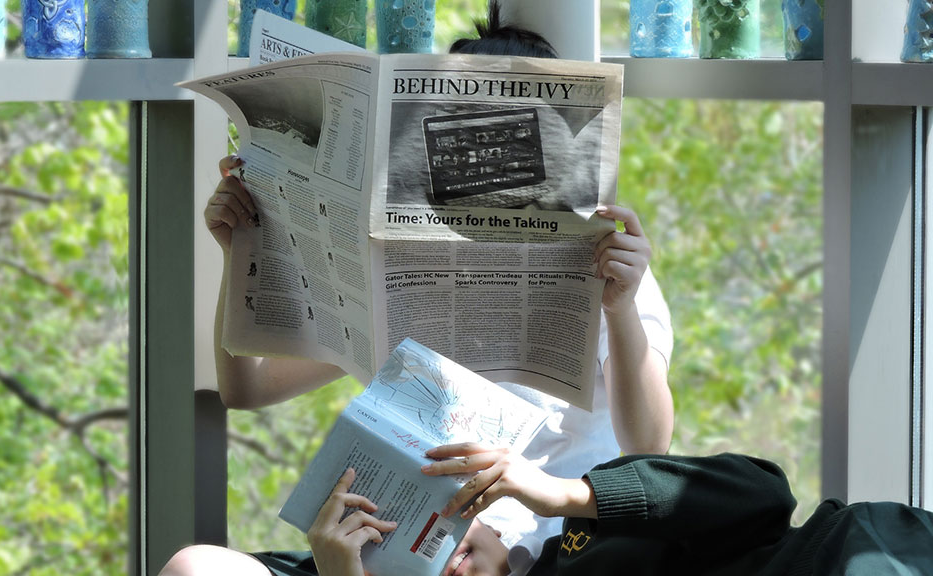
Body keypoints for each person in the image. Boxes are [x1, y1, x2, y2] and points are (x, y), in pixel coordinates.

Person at [162, 3, 672, 575]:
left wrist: (621, 308)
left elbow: (649, 444)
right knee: (194, 567)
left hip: (528, 552)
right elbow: (247, 388)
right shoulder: (400, 260)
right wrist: (241, 249)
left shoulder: (606, 265)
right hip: (394, 541)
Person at [306, 445, 933, 576]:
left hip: (852, 560)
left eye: (429, 524)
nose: (443, 562)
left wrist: (573, 495)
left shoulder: (590, 515)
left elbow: (765, 493)